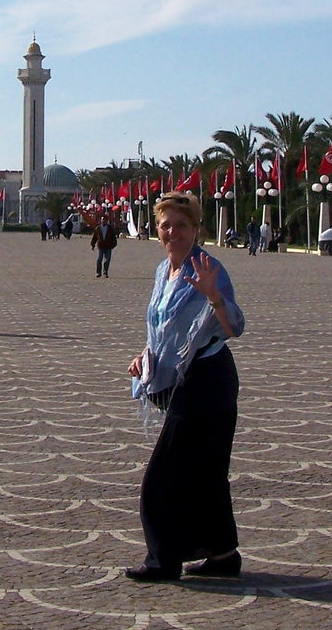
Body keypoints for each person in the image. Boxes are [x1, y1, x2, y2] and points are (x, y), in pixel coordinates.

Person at [125, 191, 245, 583]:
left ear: (195, 229)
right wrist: (146, 356)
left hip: (208, 380)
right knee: (207, 473)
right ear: (156, 229)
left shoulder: (207, 267)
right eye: (166, 225)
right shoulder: (165, 270)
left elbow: (234, 328)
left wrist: (213, 296)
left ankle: (164, 559)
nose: (172, 232)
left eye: (181, 225)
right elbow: (162, 327)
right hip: (186, 378)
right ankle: (223, 555)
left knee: (163, 475)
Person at [92, 213, 119, 278]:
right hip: (100, 246)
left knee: (107, 260)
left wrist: (113, 245)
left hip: (108, 246)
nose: (103, 221)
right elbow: (94, 237)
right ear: (101, 220)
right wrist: (92, 245)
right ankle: (98, 272)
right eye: (102, 219)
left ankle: (105, 272)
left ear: (107, 221)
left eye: (105, 219)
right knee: (99, 259)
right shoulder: (98, 228)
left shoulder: (110, 228)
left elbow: (113, 237)